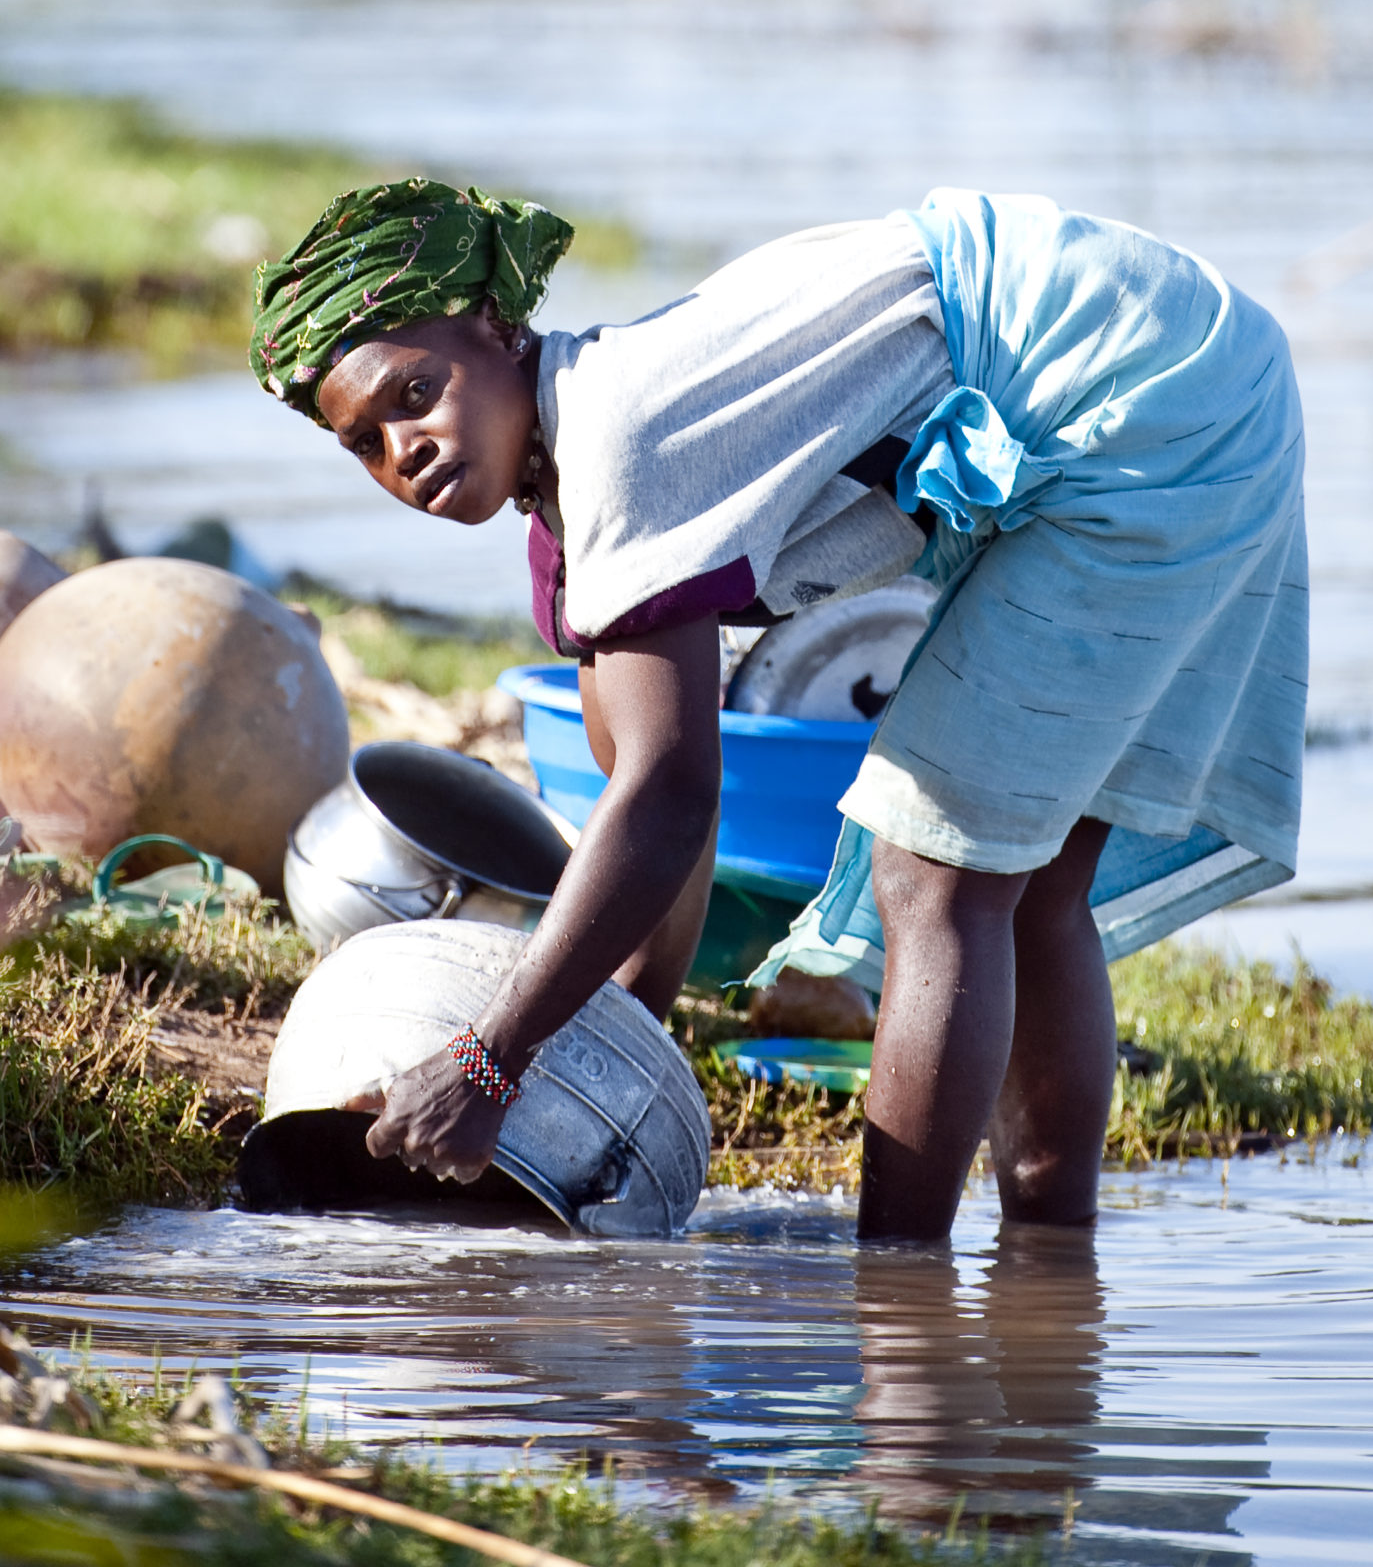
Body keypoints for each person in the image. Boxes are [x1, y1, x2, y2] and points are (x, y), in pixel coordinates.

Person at [250, 178, 1308, 1244]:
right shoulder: (574, 497)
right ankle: (1048, 1279)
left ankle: (900, 1301)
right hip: (1176, 352)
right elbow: (651, 810)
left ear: (492, 328)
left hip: (1143, 393)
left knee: (934, 877)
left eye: (414, 392)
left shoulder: (621, 442)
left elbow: (669, 798)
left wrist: (487, 1063)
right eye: (364, 444)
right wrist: (584, 1070)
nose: (405, 450)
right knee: (1020, 889)